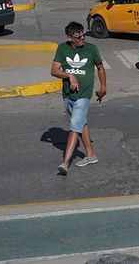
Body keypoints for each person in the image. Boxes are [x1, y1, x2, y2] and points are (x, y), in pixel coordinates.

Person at [50, 22, 106, 175]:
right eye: (78, 36)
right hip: (68, 94)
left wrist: (103, 87)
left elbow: (100, 68)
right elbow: (54, 70)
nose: (83, 38)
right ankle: (90, 155)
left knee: (75, 125)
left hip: (84, 94)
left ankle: (65, 162)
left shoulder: (91, 49)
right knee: (81, 122)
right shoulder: (63, 48)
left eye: (83, 34)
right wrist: (69, 75)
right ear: (70, 38)